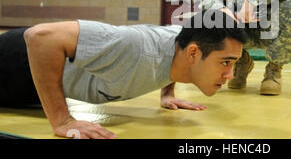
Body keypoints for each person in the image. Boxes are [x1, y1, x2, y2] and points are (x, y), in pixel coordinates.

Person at [0, 10, 246, 139]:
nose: (230, 74)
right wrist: (62, 120)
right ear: (193, 54)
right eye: (226, 62)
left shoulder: (184, 46)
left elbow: (179, 35)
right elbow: (40, 37)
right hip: (17, 63)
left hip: (37, 85)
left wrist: (167, 92)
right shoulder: (132, 46)